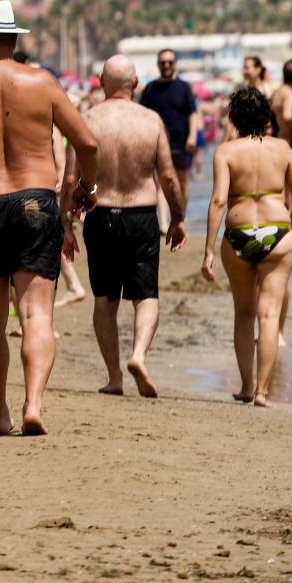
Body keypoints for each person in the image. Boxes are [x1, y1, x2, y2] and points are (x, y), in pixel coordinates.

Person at [0, 0, 99, 436]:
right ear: (16, 39)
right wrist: (85, 189)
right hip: (36, 201)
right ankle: (33, 405)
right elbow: (88, 144)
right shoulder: (43, 83)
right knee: (37, 314)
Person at [66, 55, 187, 397]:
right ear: (135, 84)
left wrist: (65, 226)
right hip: (141, 215)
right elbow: (167, 175)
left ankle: (115, 377)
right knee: (146, 295)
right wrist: (177, 218)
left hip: (100, 215)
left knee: (104, 298)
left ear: (101, 80)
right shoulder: (151, 120)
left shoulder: (87, 119)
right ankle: (138, 355)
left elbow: (70, 178)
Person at [201, 86, 292, 406]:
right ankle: (262, 392)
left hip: (239, 233)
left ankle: (247, 386)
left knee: (244, 313)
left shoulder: (227, 151)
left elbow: (219, 200)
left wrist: (207, 250)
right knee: (270, 314)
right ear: (266, 117)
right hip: (278, 231)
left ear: (234, 118)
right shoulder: (284, 149)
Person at [138, 47, 201, 213]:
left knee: (181, 181)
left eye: (170, 62)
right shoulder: (150, 88)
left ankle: (180, 216)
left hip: (182, 141)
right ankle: (164, 224)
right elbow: (142, 115)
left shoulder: (184, 87)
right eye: (163, 62)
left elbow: (192, 113)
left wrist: (192, 137)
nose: (166, 65)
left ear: (175, 64)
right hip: (157, 141)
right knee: (160, 182)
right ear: (158, 64)